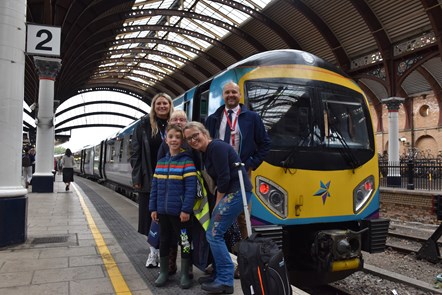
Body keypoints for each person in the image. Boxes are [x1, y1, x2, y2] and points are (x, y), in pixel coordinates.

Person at [205, 81, 270, 277]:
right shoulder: (213, 118)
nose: (230, 95)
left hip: (241, 173)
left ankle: (244, 264)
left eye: (234, 92)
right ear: (223, 96)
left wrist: (250, 163)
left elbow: (265, 144)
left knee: (243, 219)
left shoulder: (252, 118)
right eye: (227, 93)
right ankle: (216, 262)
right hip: (218, 174)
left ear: (240, 95)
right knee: (216, 215)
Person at [183, 121, 253, 294]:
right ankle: (219, 275)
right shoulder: (206, 152)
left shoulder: (216, 147)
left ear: (204, 133)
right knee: (215, 233)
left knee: (214, 234)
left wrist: (217, 204)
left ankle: (225, 280)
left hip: (236, 193)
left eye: (195, 135)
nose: (192, 140)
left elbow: (224, 179)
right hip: (232, 193)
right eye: (189, 139)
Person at [150, 124, 197, 289]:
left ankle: (185, 274)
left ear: (182, 140)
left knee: (184, 241)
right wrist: (153, 208)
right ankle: (163, 272)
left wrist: (186, 209)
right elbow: (154, 187)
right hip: (163, 212)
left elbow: (191, 189)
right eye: (171, 137)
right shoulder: (161, 163)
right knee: (164, 241)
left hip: (180, 214)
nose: (174, 140)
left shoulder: (187, 162)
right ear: (166, 139)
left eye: (177, 137)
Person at [130, 93, 174, 268]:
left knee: (170, 217)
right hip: (150, 177)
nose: (162, 106)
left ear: (170, 105)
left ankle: (168, 257)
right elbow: (135, 153)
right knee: (151, 217)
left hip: (173, 178)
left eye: (165, 103)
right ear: (154, 106)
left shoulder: (175, 124)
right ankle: (153, 253)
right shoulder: (143, 125)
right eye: (159, 103)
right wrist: (137, 177)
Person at [157, 110, 202, 276]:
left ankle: (187, 269)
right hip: (167, 204)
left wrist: (188, 205)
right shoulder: (164, 149)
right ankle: (168, 266)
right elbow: (159, 176)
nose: (179, 121)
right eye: (175, 119)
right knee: (166, 237)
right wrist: (155, 206)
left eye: (182, 119)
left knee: (185, 237)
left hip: (186, 201)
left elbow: (198, 169)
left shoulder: (191, 144)